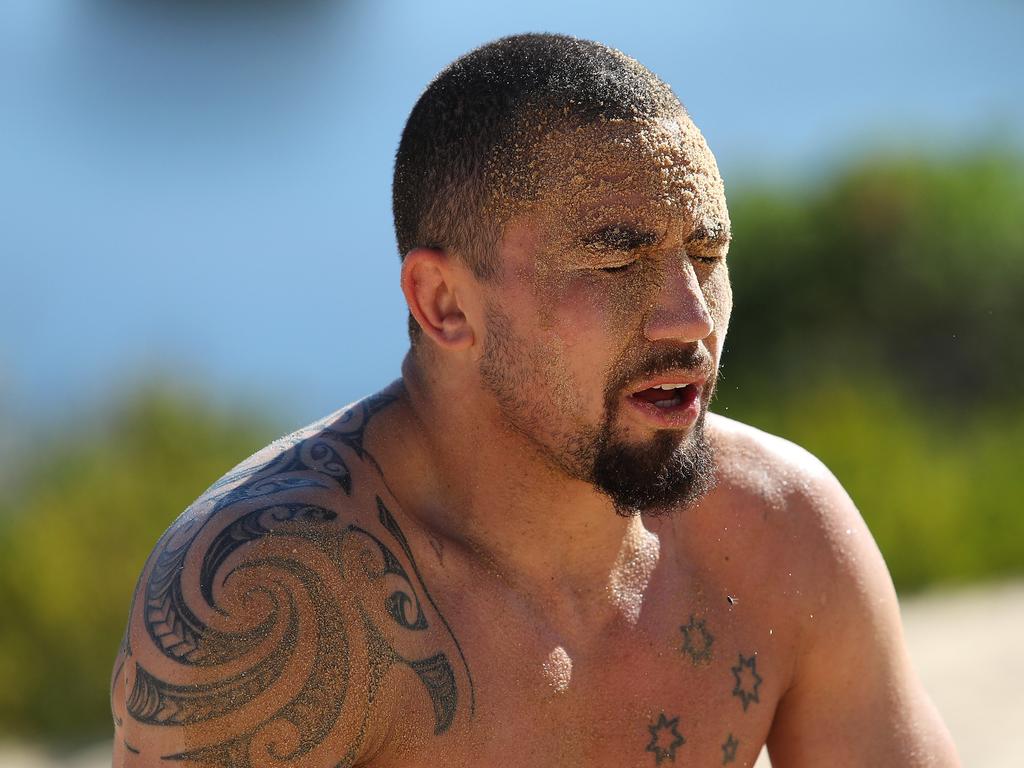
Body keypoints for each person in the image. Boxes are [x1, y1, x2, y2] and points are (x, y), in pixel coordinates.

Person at [110, 33, 959, 767]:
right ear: (444, 304)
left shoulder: (780, 529)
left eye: (706, 253)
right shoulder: (270, 602)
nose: (690, 319)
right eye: (616, 261)